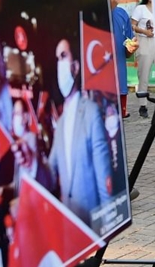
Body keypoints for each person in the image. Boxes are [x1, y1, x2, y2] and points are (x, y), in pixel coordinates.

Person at [47, 38, 112, 227]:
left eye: (63, 56)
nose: (59, 63)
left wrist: (107, 223)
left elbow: (103, 175)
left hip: (90, 222)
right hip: (68, 224)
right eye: (57, 58)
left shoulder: (90, 113)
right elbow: (50, 172)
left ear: (75, 68)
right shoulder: (60, 122)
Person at [107, 0, 136, 118]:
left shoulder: (122, 14)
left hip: (120, 84)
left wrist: (131, 48)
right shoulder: (89, 11)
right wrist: (109, 7)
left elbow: (127, 52)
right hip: (100, 87)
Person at [131, 0, 155, 118]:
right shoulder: (140, 9)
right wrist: (145, 31)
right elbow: (132, 25)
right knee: (144, 75)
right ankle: (143, 105)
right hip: (144, 42)